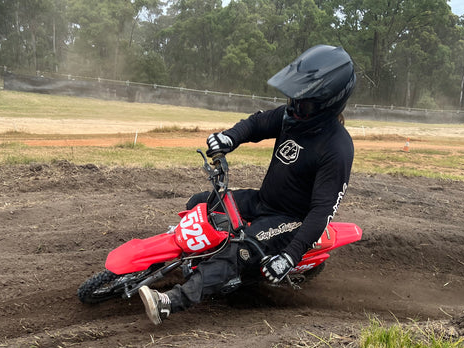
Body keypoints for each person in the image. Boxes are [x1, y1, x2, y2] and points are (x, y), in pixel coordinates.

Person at [139, 44, 356, 325]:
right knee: (199, 203)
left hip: (291, 221)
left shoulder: (337, 148)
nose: (292, 107)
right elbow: (257, 124)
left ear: (328, 103)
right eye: (292, 99)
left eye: (302, 103)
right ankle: (177, 256)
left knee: (237, 252)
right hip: (263, 202)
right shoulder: (293, 118)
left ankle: (171, 301)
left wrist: (289, 257)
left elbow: (322, 211)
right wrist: (229, 138)